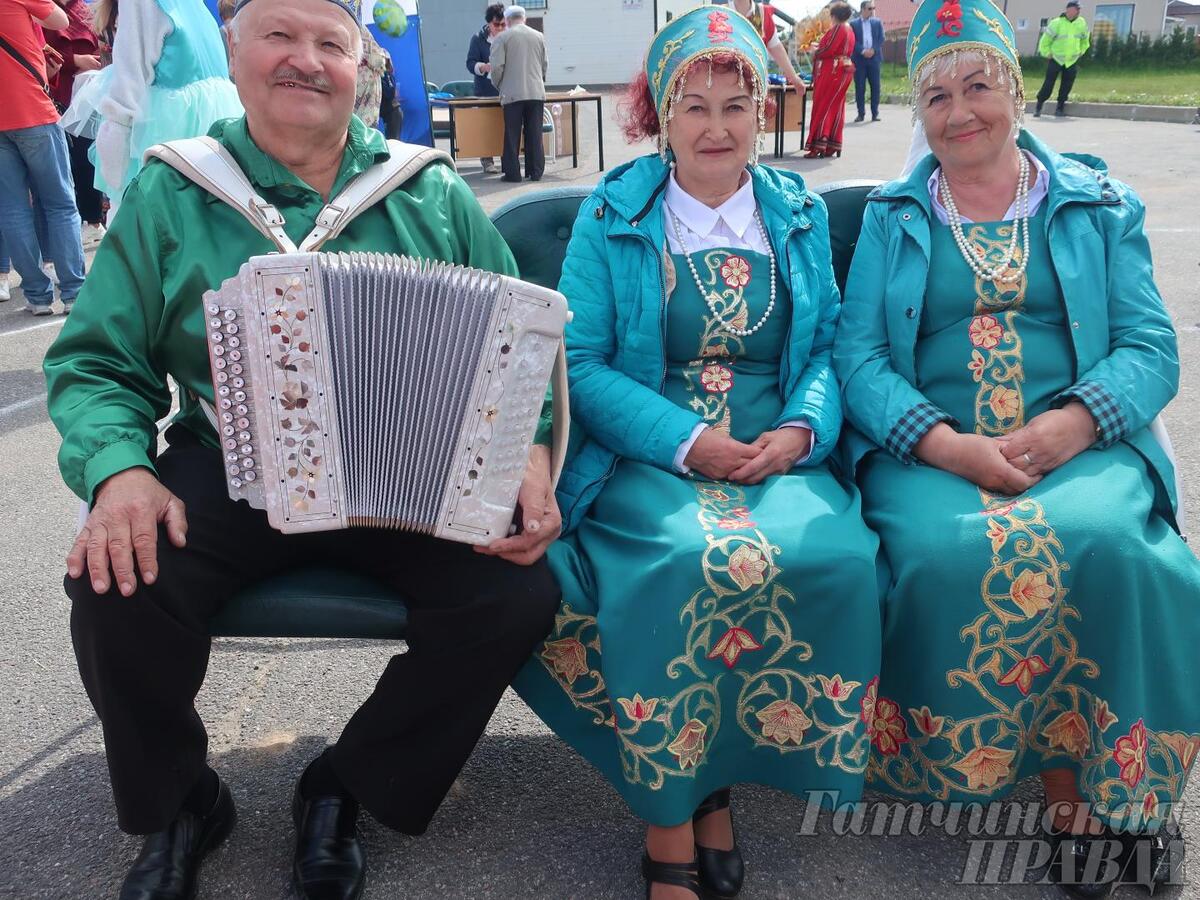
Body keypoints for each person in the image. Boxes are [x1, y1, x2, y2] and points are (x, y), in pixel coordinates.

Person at [43, 1, 561, 898]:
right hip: (228, 460)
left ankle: (346, 785)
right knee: (116, 580)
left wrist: (526, 451)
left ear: (362, 71)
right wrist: (120, 468)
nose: (306, 61)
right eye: (279, 36)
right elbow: (96, 358)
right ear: (234, 58)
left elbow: (523, 342)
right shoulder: (174, 190)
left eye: (331, 44)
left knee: (512, 596)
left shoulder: (426, 189)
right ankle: (181, 800)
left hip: (410, 466)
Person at [512, 8, 882, 898]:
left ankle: (712, 779)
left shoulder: (793, 211)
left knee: (831, 555)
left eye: (735, 106)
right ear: (660, 115)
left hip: (774, 452)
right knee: (682, 562)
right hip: (650, 452)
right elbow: (583, 362)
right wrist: (686, 441)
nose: (716, 127)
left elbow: (830, 346)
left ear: (762, 114)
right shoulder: (617, 211)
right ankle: (672, 824)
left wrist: (800, 431)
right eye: (695, 106)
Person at [834, 0, 1200, 894]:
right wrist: (947, 445)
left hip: (1079, 442)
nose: (960, 112)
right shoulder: (893, 215)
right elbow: (859, 356)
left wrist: (1075, 422)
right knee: (947, 553)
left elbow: (1151, 346)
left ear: (1016, 88)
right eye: (936, 97)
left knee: (1116, 551)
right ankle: (1050, 789)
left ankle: (1124, 792)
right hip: (935, 451)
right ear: (917, 116)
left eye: (978, 85)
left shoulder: (1098, 203)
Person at [67, 0, 243, 220]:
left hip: (168, 126)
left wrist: (115, 133)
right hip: (218, 119)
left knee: (151, 221)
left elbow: (129, 74)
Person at [0, 0, 86, 316]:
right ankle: (74, 291)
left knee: (11, 209)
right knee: (60, 203)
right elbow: (61, 19)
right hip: (33, 111)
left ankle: (36, 297)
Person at [45, 0, 106, 249]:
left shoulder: (84, 9)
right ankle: (80, 222)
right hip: (61, 97)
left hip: (91, 97)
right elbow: (43, 51)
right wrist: (76, 60)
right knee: (67, 162)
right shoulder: (45, 12)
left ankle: (93, 220)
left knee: (90, 158)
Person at [489, 5, 546, 183]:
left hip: (512, 93)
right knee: (535, 133)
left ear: (507, 20)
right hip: (536, 92)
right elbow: (544, 65)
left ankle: (513, 174)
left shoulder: (502, 38)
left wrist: (499, 85)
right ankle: (535, 171)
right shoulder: (539, 36)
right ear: (524, 18)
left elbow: (497, 67)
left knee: (512, 134)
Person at [803, 2, 855, 159]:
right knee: (836, 107)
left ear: (834, 16)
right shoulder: (849, 29)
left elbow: (829, 49)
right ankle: (831, 143)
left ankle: (819, 143)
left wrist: (815, 50)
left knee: (823, 106)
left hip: (832, 71)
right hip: (843, 69)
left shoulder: (839, 28)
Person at [730, 0, 808, 98]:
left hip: (755, 88)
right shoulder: (720, 12)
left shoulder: (762, 14)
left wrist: (794, 77)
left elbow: (776, 47)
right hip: (726, 87)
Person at [466, 2, 505, 174]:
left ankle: (507, 160)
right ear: (489, 23)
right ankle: (487, 161)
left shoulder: (509, 37)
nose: (500, 28)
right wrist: (483, 67)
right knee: (486, 126)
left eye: (503, 24)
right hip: (485, 89)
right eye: (496, 24)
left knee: (506, 126)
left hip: (505, 89)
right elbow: (470, 63)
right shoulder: (478, 38)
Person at [1036, 0, 1090, 118]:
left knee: (1067, 85)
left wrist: (1082, 51)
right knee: (1048, 84)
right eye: (1077, 9)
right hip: (1056, 59)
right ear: (1069, 9)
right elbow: (1045, 41)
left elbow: (1085, 40)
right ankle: (1039, 106)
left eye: (1079, 9)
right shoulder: (1056, 23)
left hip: (1071, 61)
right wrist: (1046, 53)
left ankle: (1060, 108)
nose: (1079, 11)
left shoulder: (1081, 23)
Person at [850, 0, 883, 123]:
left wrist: (873, 50)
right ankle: (861, 114)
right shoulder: (854, 24)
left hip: (874, 59)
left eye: (873, 8)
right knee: (860, 87)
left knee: (875, 86)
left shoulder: (877, 22)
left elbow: (881, 38)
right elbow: (852, 40)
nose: (872, 10)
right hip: (859, 60)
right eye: (869, 8)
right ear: (863, 9)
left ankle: (875, 113)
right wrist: (863, 51)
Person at [354, 24, 388, 128]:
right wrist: (384, 56)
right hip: (365, 85)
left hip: (354, 81)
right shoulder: (358, 28)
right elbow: (377, 59)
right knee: (365, 126)